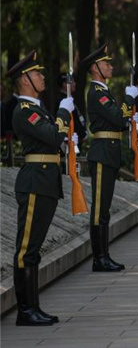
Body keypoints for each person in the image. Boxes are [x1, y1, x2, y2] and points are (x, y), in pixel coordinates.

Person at [7, 51, 74, 326]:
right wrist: (63, 112)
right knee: (27, 249)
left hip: (45, 181)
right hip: (35, 182)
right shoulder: (24, 112)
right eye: (36, 73)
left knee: (34, 248)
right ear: (24, 79)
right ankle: (25, 310)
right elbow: (51, 135)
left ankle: (33, 306)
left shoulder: (36, 108)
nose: (42, 77)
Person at [82, 44, 137, 272]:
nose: (110, 66)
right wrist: (128, 98)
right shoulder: (96, 93)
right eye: (106, 63)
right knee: (99, 210)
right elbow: (117, 118)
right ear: (95, 68)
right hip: (102, 152)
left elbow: (121, 122)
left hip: (109, 151)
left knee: (104, 209)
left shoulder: (104, 92)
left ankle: (104, 255)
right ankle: (99, 258)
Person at [56, 73, 87, 152]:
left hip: (75, 139)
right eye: (72, 81)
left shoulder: (69, 98)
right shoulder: (62, 100)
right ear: (64, 84)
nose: (74, 84)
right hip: (70, 140)